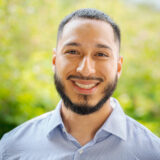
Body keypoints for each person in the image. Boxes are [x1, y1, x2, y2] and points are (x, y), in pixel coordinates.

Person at [0, 8, 160, 160]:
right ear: (55, 60)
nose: (85, 70)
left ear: (118, 66)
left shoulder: (152, 153)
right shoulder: (11, 148)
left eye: (101, 54)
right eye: (72, 52)